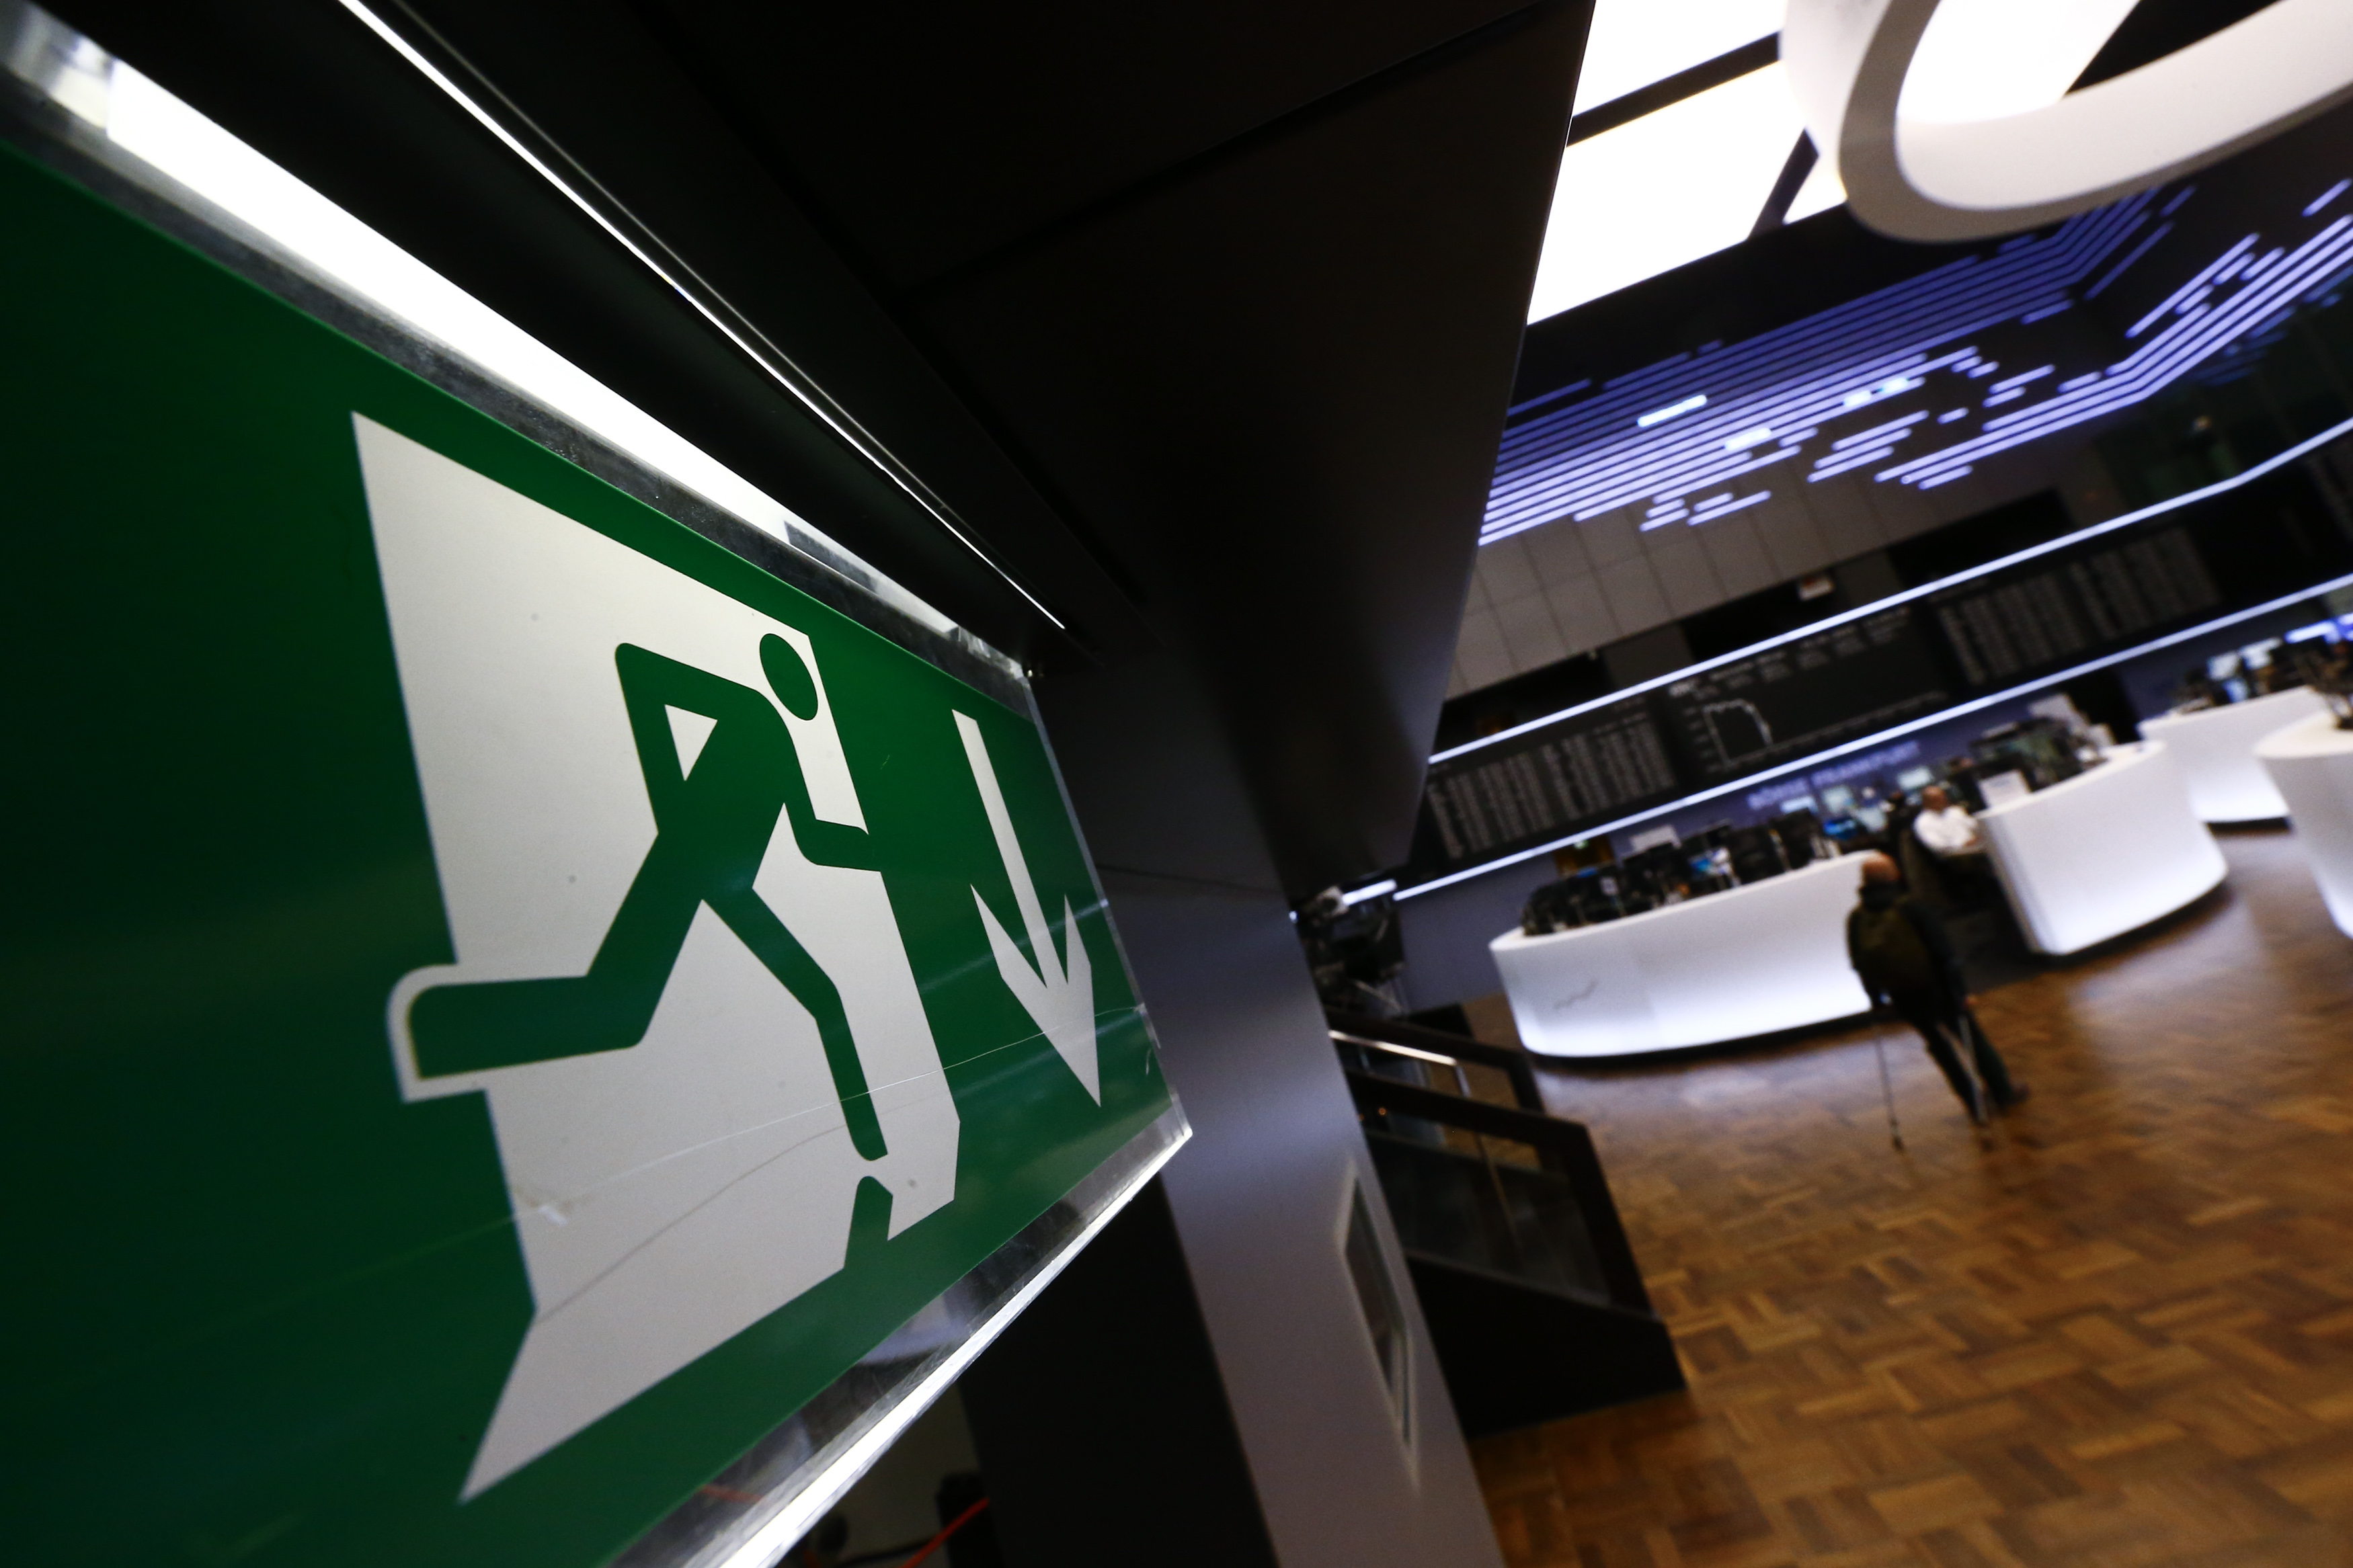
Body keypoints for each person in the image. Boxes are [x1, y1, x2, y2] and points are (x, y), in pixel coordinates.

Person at [1846, 852, 2028, 1123]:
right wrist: (1960, 991)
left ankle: (1971, 1101)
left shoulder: (1857, 918)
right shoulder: (1911, 907)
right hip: (1938, 988)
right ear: (1895, 875)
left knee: (1938, 1045)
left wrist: (1876, 999)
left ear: (1864, 882)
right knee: (1970, 1038)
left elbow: (1860, 962)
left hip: (1903, 994)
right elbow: (1944, 953)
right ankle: (2002, 1092)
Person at [1910, 784, 1984, 858]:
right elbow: (1937, 846)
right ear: (1926, 802)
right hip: (1955, 857)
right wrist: (1963, 844)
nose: (1943, 800)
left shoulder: (1955, 811)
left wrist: (1980, 835)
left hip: (1976, 847)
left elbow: (1974, 826)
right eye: (1937, 799)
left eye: (1943, 797)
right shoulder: (1923, 822)